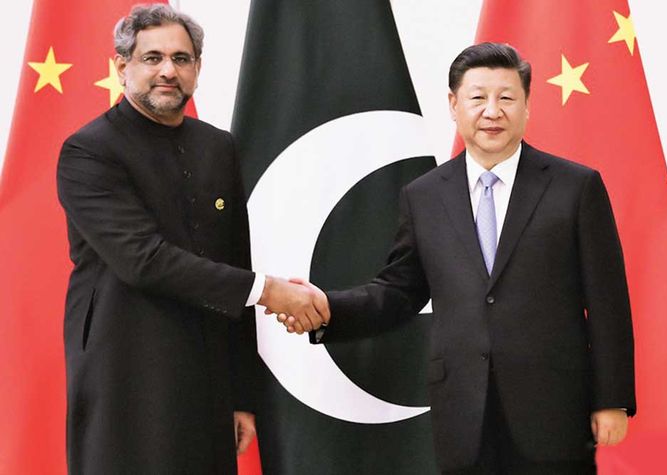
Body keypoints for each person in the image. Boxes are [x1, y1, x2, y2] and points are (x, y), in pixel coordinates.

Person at [280, 43, 635, 474]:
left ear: (527, 106)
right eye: (478, 97)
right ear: (454, 104)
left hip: (554, 412)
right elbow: (398, 290)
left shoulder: (575, 187)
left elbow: (607, 301)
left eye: (506, 98)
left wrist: (611, 398)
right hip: (464, 413)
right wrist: (327, 309)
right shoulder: (425, 195)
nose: (492, 111)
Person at [57, 4, 327, 473]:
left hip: (206, 380)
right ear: (123, 67)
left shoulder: (217, 146)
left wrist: (241, 394)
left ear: (198, 69)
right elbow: (143, 260)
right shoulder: (89, 151)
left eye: (182, 59)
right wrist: (270, 290)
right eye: (153, 58)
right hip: (126, 375)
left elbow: (233, 259)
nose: (168, 70)